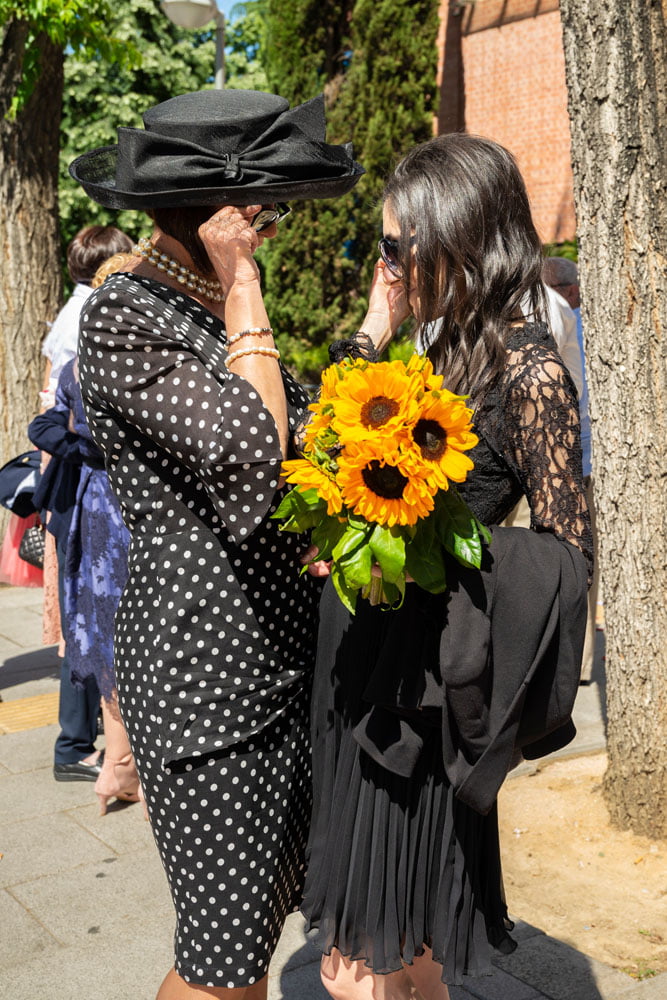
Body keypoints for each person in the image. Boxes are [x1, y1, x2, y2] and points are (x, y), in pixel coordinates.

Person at [68, 88, 364, 999]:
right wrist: (245, 287)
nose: (271, 228)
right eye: (260, 210)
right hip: (206, 677)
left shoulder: (203, 309)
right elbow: (249, 444)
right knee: (222, 957)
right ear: (215, 216)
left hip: (279, 661)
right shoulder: (126, 315)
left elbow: (307, 432)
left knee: (258, 927)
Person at [300, 134, 593, 1000]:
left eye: (398, 247)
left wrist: (440, 557)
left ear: (457, 236)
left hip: (425, 696)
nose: (385, 266)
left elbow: (568, 555)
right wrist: (371, 329)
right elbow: (326, 450)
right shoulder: (429, 348)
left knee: (361, 968)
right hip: (364, 667)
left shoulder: (530, 372)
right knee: (403, 955)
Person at [33, 226, 133, 782]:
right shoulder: (90, 327)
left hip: (82, 493)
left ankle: (90, 745)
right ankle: (81, 746)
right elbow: (56, 412)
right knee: (94, 616)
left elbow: (47, 409)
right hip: (91, 497)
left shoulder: (76, 320)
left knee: (88, 614)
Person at [542, 255, 600, 681]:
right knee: (585, 564)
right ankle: (578, 666)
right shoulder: (578, 324)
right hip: (582, 464)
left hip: (541, 471)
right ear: (572, 290)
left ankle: (547, 658)